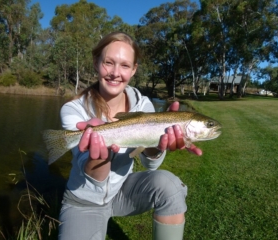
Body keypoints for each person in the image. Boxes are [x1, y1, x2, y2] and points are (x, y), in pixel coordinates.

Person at [58, 32, 202, 240]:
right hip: (84, 200)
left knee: (170, 186)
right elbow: (95, 179)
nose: (116, 73)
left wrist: (159, 145)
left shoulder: (144, 106)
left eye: (125, 65)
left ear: (134, 70)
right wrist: (101, 151)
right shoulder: (72, 110)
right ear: (96, 62)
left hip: (122, 192)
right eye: (109, 62)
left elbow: (150, 164)